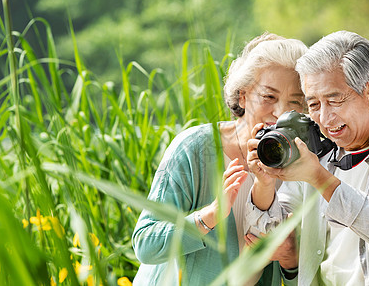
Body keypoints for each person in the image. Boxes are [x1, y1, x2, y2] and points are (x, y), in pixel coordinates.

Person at [244, 30, 369, 285]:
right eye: (313, 105)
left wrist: (318, 177)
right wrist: (265, 182)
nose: (324, 119)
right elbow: (274, 235)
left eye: (334, 100)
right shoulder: (316, 150)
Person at [131, 32, 308, 285]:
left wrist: (291, 261)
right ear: (243, 95)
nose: (280, 112)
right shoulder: (193, 148)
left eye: (295, 102)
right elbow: (146, 244)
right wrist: (211, 215)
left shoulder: (302, 166)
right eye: (269, 97)